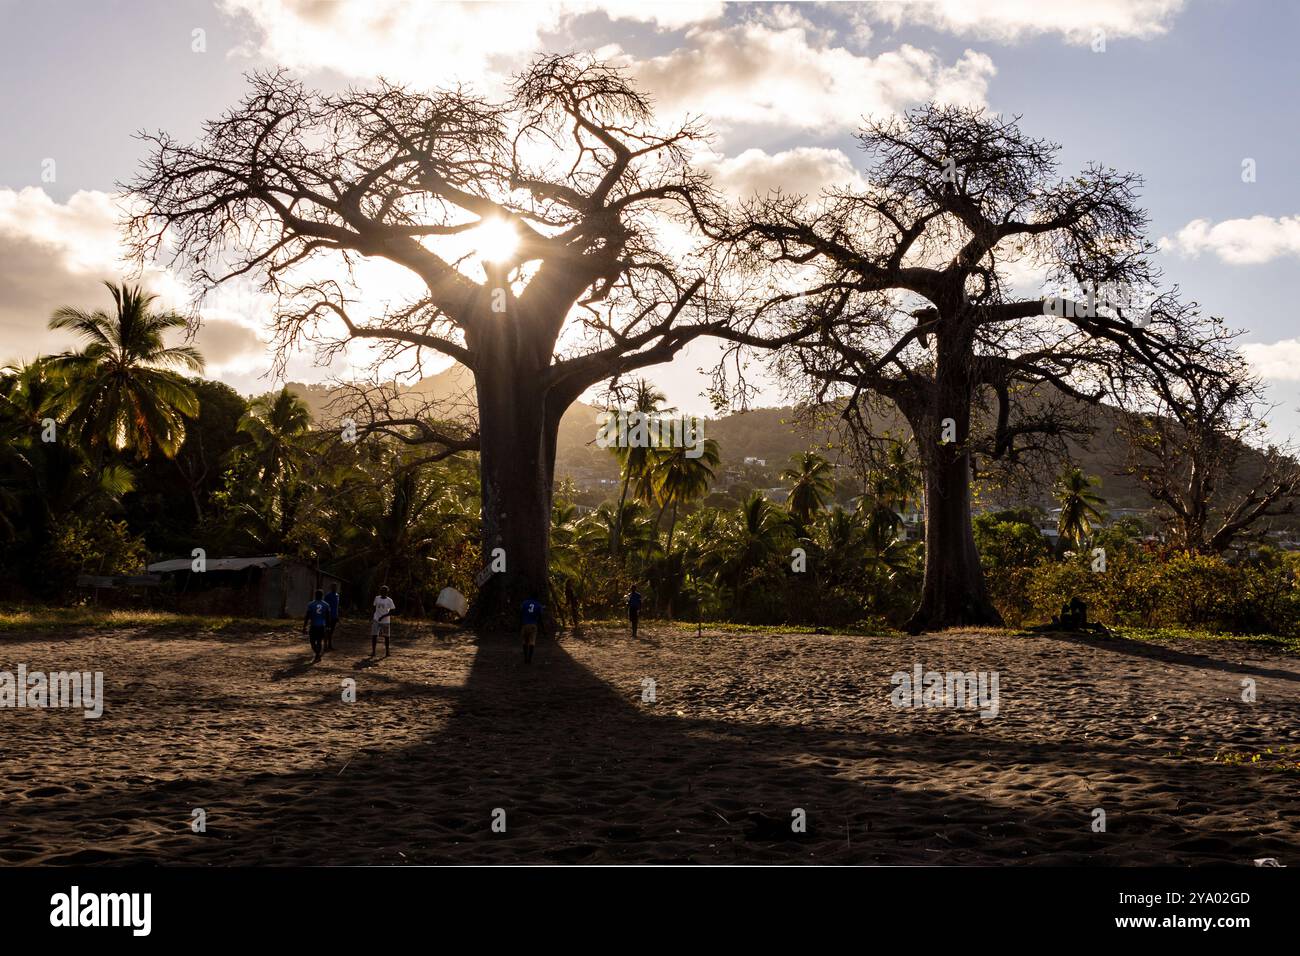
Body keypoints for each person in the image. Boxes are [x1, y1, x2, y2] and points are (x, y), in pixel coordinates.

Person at [303, 589, 331, 663]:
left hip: (313, 626)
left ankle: (317, 654)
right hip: (321, 626)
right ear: (322, 596)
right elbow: (328, 617)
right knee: (319, 641)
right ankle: (317, 655)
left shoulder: (311, 604)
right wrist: (328, 626)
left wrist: (304, 626)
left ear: (315, 595)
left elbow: (307, 616)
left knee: (312, 642)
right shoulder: (326, 605)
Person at [371, 585, 396, 658]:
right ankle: (373, 652)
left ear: (387, 592)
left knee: (386, 636)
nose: (382, 592)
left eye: (384, 591)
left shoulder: (389, 600)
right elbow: (374, 607)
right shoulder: (377, 598)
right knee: (374, 635)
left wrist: (383, 616)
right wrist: (374, 616)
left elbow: (392, 611)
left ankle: (387, 652)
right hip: (376, 619)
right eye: (381, 591)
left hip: (385, 621)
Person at [520, 595, 544, 664]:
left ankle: (525, 658)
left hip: (525, 624)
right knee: (532, 642)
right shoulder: (538, 604)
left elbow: (520, 613)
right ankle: (529, 659)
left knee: (524, 641)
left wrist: (520, 624)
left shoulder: (524, 603)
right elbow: (540, 617)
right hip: (533, 625)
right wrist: (543, 628)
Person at [323, 584, 341, 650]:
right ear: (331, 587)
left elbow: (336, 607)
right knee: (327, 630)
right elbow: (325, 605)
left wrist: (337, 616)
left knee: (331, 632)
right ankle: (325, 646)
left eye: (335, 587)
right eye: (333, 587)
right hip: (328, 616)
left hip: (334, 616)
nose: (335, 588)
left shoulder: (337, 595)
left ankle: (330, 645)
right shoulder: (328, 595)